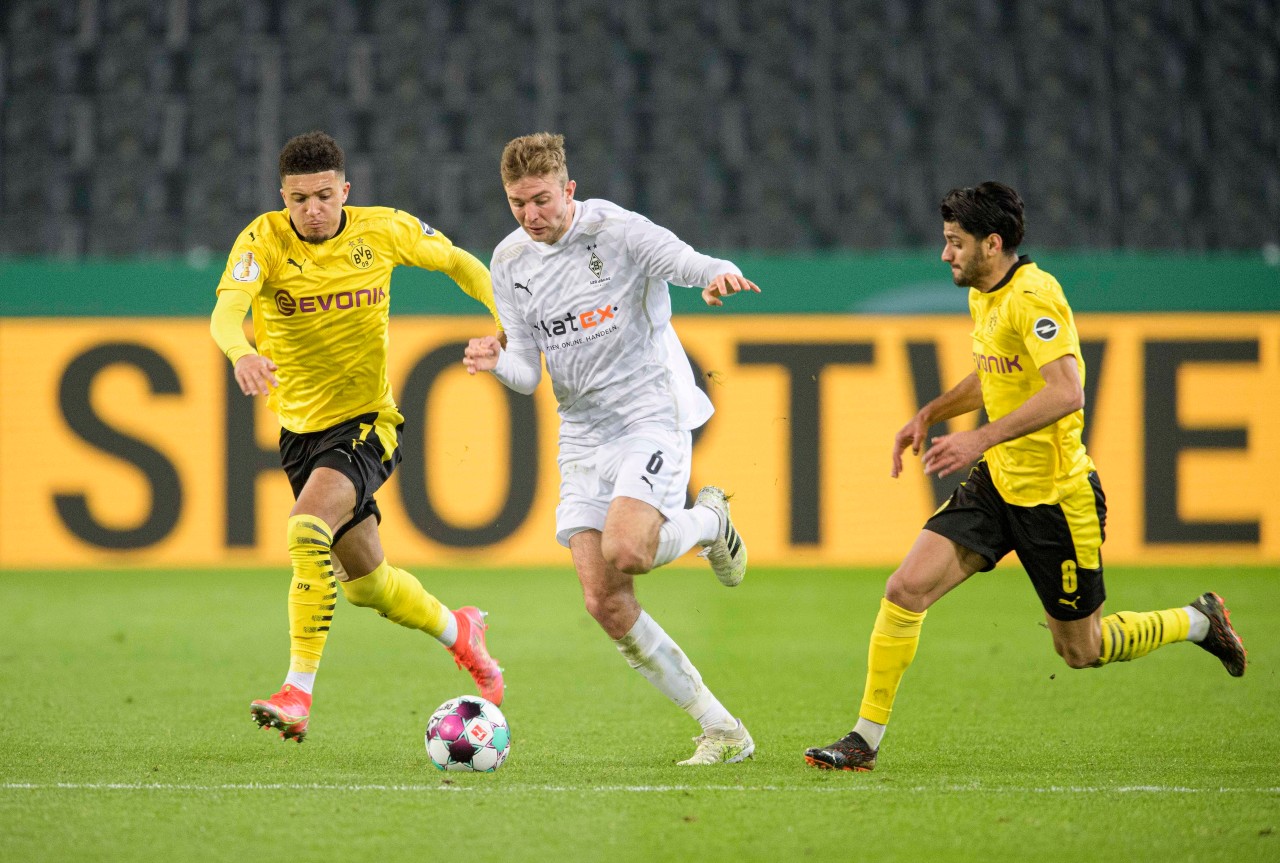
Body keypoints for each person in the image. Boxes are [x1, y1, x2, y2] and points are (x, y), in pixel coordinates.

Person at [804, 181, 1247, 772]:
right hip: (996, 485)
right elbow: (993, 372)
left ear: (992, 243)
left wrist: (979, 437)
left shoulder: (1035, 297)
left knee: (1081, 650)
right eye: (944, 242)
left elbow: (1067, 391)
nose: (945, 255)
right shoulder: (984, 292)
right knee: (904, 589)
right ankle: (863, 740)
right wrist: (930, 414)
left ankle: (1197, 620)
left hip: (1057, 501)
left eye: (954, 243)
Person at [463, 132, 760, 765]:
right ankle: (723, 730)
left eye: (541, 200)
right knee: (604, 600)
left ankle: (709, 520)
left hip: (650, 413)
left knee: (629, 549)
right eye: (517, 204)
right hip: (583, 433)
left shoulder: (615, 230)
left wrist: (716, 274)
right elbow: (526, 372)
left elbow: (681, 260)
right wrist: (496, 361)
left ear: (568, 190)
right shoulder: (510, 260)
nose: (530, 215)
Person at [209, 130, 505, 743]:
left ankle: (297, 692)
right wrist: (240, 351)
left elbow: (459, 262)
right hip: (300, 435)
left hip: (368, 422)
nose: (311, 210)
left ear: (346, 189)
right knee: (369, 585)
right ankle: (461, 631)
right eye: (298, 199)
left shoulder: (383, 229)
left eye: (323, 195)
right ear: (282, 196)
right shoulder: (261, 240)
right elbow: (225, 311)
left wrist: (507, 323)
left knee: (304, 528)